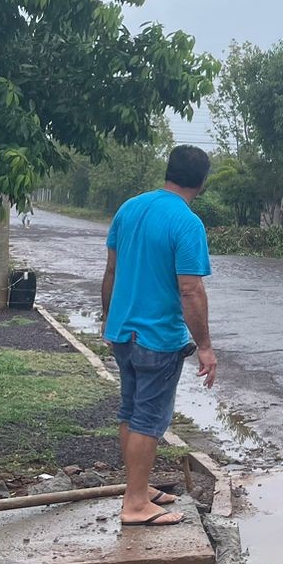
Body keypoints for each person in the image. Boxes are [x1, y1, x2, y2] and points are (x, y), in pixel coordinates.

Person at [101, 145, 218, 528]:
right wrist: (204, 346)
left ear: (167, 171)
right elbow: (190, 290)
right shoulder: (186, 223)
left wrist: (108, 319)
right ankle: (135, 503)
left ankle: (138, 486)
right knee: (149, 419)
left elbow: (111, 272)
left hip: (123, 331)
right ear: (201, 181)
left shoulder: (129, 208)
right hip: (156, 337)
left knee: (130, 411)